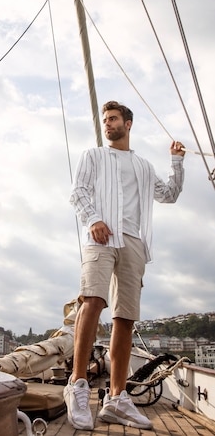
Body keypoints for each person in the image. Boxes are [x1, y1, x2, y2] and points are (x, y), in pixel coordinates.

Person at [64, 100, 185, 430]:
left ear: (127, 124)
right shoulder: (94, 156)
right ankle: (77, 385)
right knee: (93, 301)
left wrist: (176, 161)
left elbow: (169, 193)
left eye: (113, 119)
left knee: (125, 317)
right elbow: (78, 192)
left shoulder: (144, 166)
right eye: (105, 119)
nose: (107, 124)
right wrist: (94, 219)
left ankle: (117, 399)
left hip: (134, 242)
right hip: (101, 236)